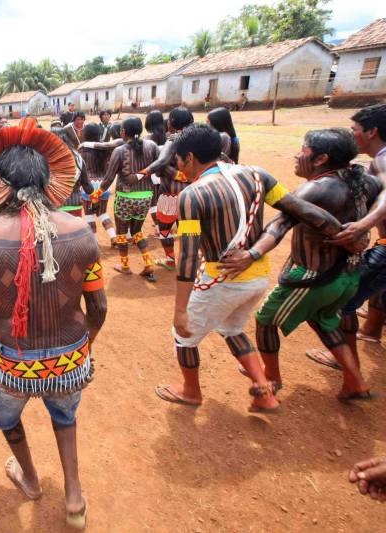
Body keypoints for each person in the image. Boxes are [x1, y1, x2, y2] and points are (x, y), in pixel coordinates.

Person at [0, 118, 107, 530]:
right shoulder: (81, 232)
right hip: (70, 360)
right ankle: (73, 495)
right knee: (65, 417)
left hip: (13, 365)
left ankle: (32, 479)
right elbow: (98, 308)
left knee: (7, 420)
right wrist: (86, 344)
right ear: (48, 179)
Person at [156, 124, 345, 410]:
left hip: (222, 280)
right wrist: (345, 231)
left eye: (178, 160)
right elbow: (300, 208)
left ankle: (191, 392)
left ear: (189, 158)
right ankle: (263, 391)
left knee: (184, 338)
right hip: (257, 278)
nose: (178, 167)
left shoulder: (192, 196)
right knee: (232, 329)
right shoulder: (258, 175)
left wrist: (180, 310)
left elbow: (189, 256)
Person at [223, 128, 378, 401]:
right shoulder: (364, 180)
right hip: (348, 275)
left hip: (314, 277)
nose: (296, 156)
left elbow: (280, 224)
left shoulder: (316, 189)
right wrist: (365, 225)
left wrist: (252, 254)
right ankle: (356, 383)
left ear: (320, 159)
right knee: (324, 322)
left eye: (303, 150)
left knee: (266, 320)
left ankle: (271, 377)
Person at [302, 104, 386, 366]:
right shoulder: (372, 164)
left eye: (355, 130)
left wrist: (363, 225)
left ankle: (346, 361)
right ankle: (371, 331)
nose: (352, 135)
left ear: (372, 132)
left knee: (340, 301)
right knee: (376, 286)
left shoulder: (382, 160)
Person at [92, 117, 159, 280]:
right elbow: (159, 167)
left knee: (122, 233)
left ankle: (125, 266)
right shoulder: (152, 146)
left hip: (125, 198)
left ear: (123, 132)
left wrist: (96, 194)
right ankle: (148, 263)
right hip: (146, 197)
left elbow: (108, 178)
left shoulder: (120, 151)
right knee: (137, 231)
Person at [141, 107, 194, 270]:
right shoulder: (198, 138)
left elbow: (161, 165)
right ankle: (191, 261)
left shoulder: (172, 140)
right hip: (192, 193)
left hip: (170, 193)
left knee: (164, 229)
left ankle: (170, 260)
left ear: (171, 122)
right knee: (189, 228)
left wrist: (145, 172)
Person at [79, 124, 115, 242]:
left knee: (89, 216)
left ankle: (95, 242)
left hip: (88, 186)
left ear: (85, 134)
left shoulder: (82, 150)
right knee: (103, 213)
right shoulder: (105, 149)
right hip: (103, 186)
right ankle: (113, 237)